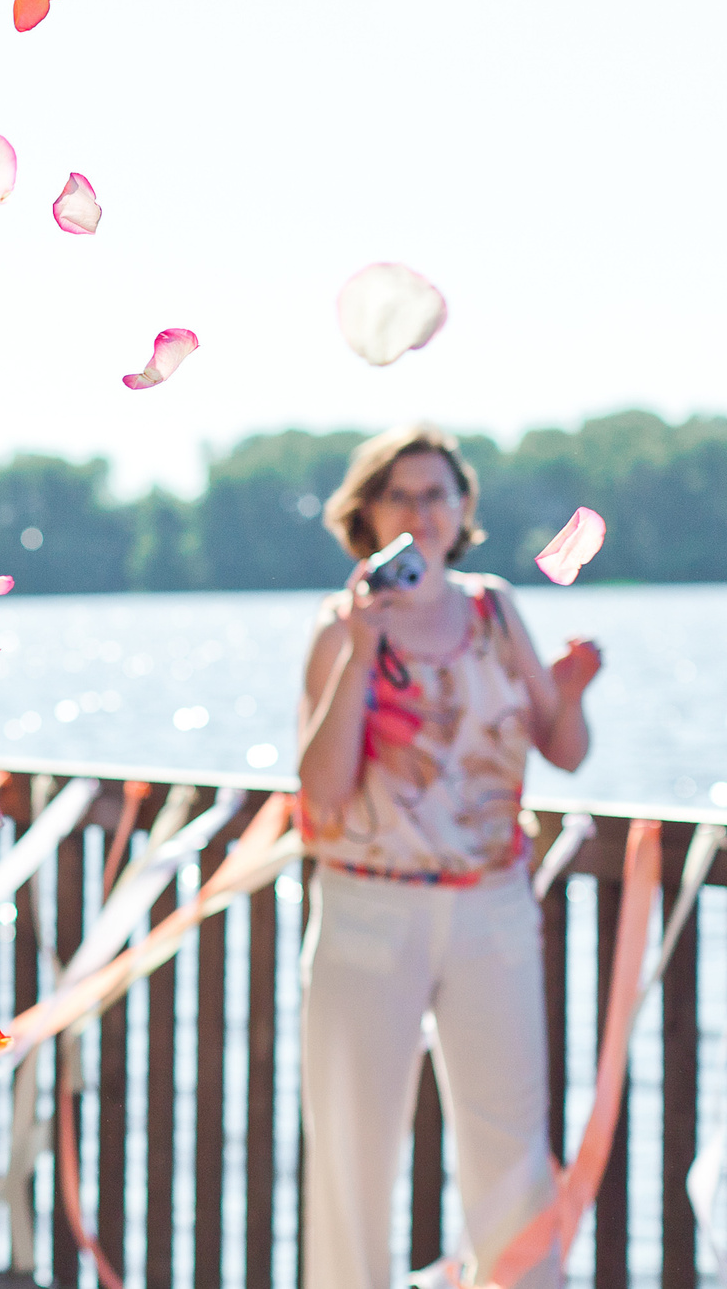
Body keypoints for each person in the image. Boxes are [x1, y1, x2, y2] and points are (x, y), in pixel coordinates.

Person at [295, 423, 600, 1289]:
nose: (422, 512)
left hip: (492, 904)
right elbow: (320, 790)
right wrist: (360, 650)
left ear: (462, 507)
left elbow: (565, 748)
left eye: (437, 494)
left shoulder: (495, 608)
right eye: (402, 494)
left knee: (512, 1149)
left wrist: (571, 691)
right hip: (367, 904)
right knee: (352, 1155)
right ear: (369, 514)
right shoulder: (340, 627)